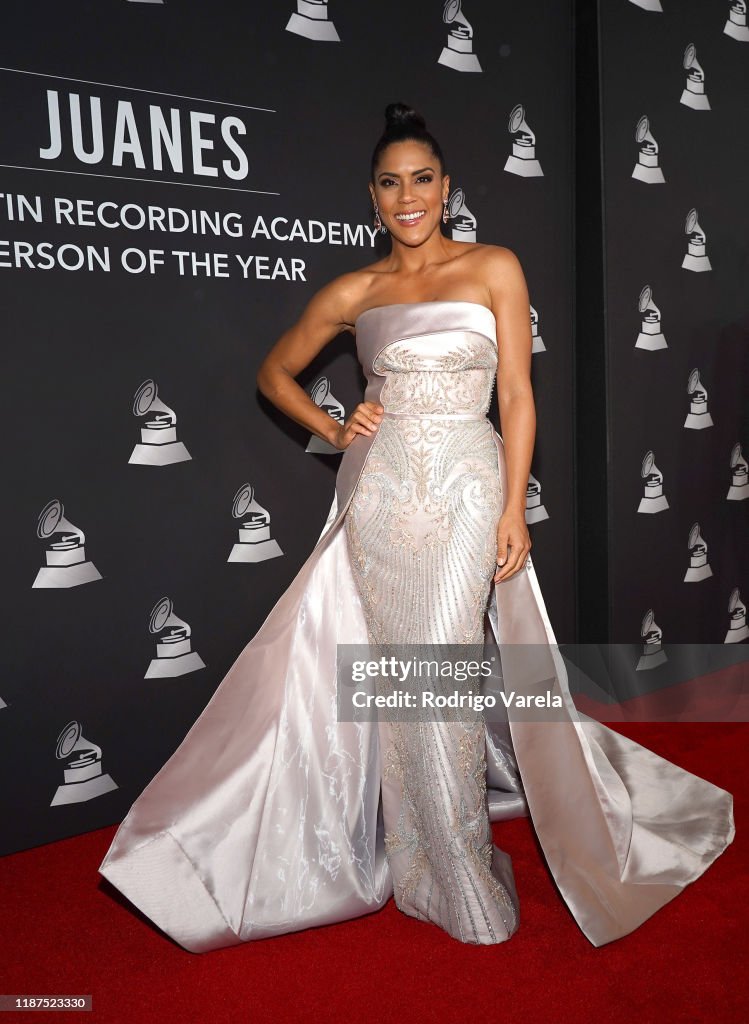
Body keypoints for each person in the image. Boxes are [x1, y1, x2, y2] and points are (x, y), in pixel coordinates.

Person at [98, 103, 735, 953]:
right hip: (383, 490)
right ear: (372, 196)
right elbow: (274, 373)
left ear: (447, 189)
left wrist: (513, 505)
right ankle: (422, 863)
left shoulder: (493, 268)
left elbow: (515, 395)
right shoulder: (355, 292)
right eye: (391, 183)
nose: (408, 197)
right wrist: (332, 430)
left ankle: (459, 864)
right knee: (410, 680)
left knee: (436, 661)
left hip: (470, 483)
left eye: (423, 179)